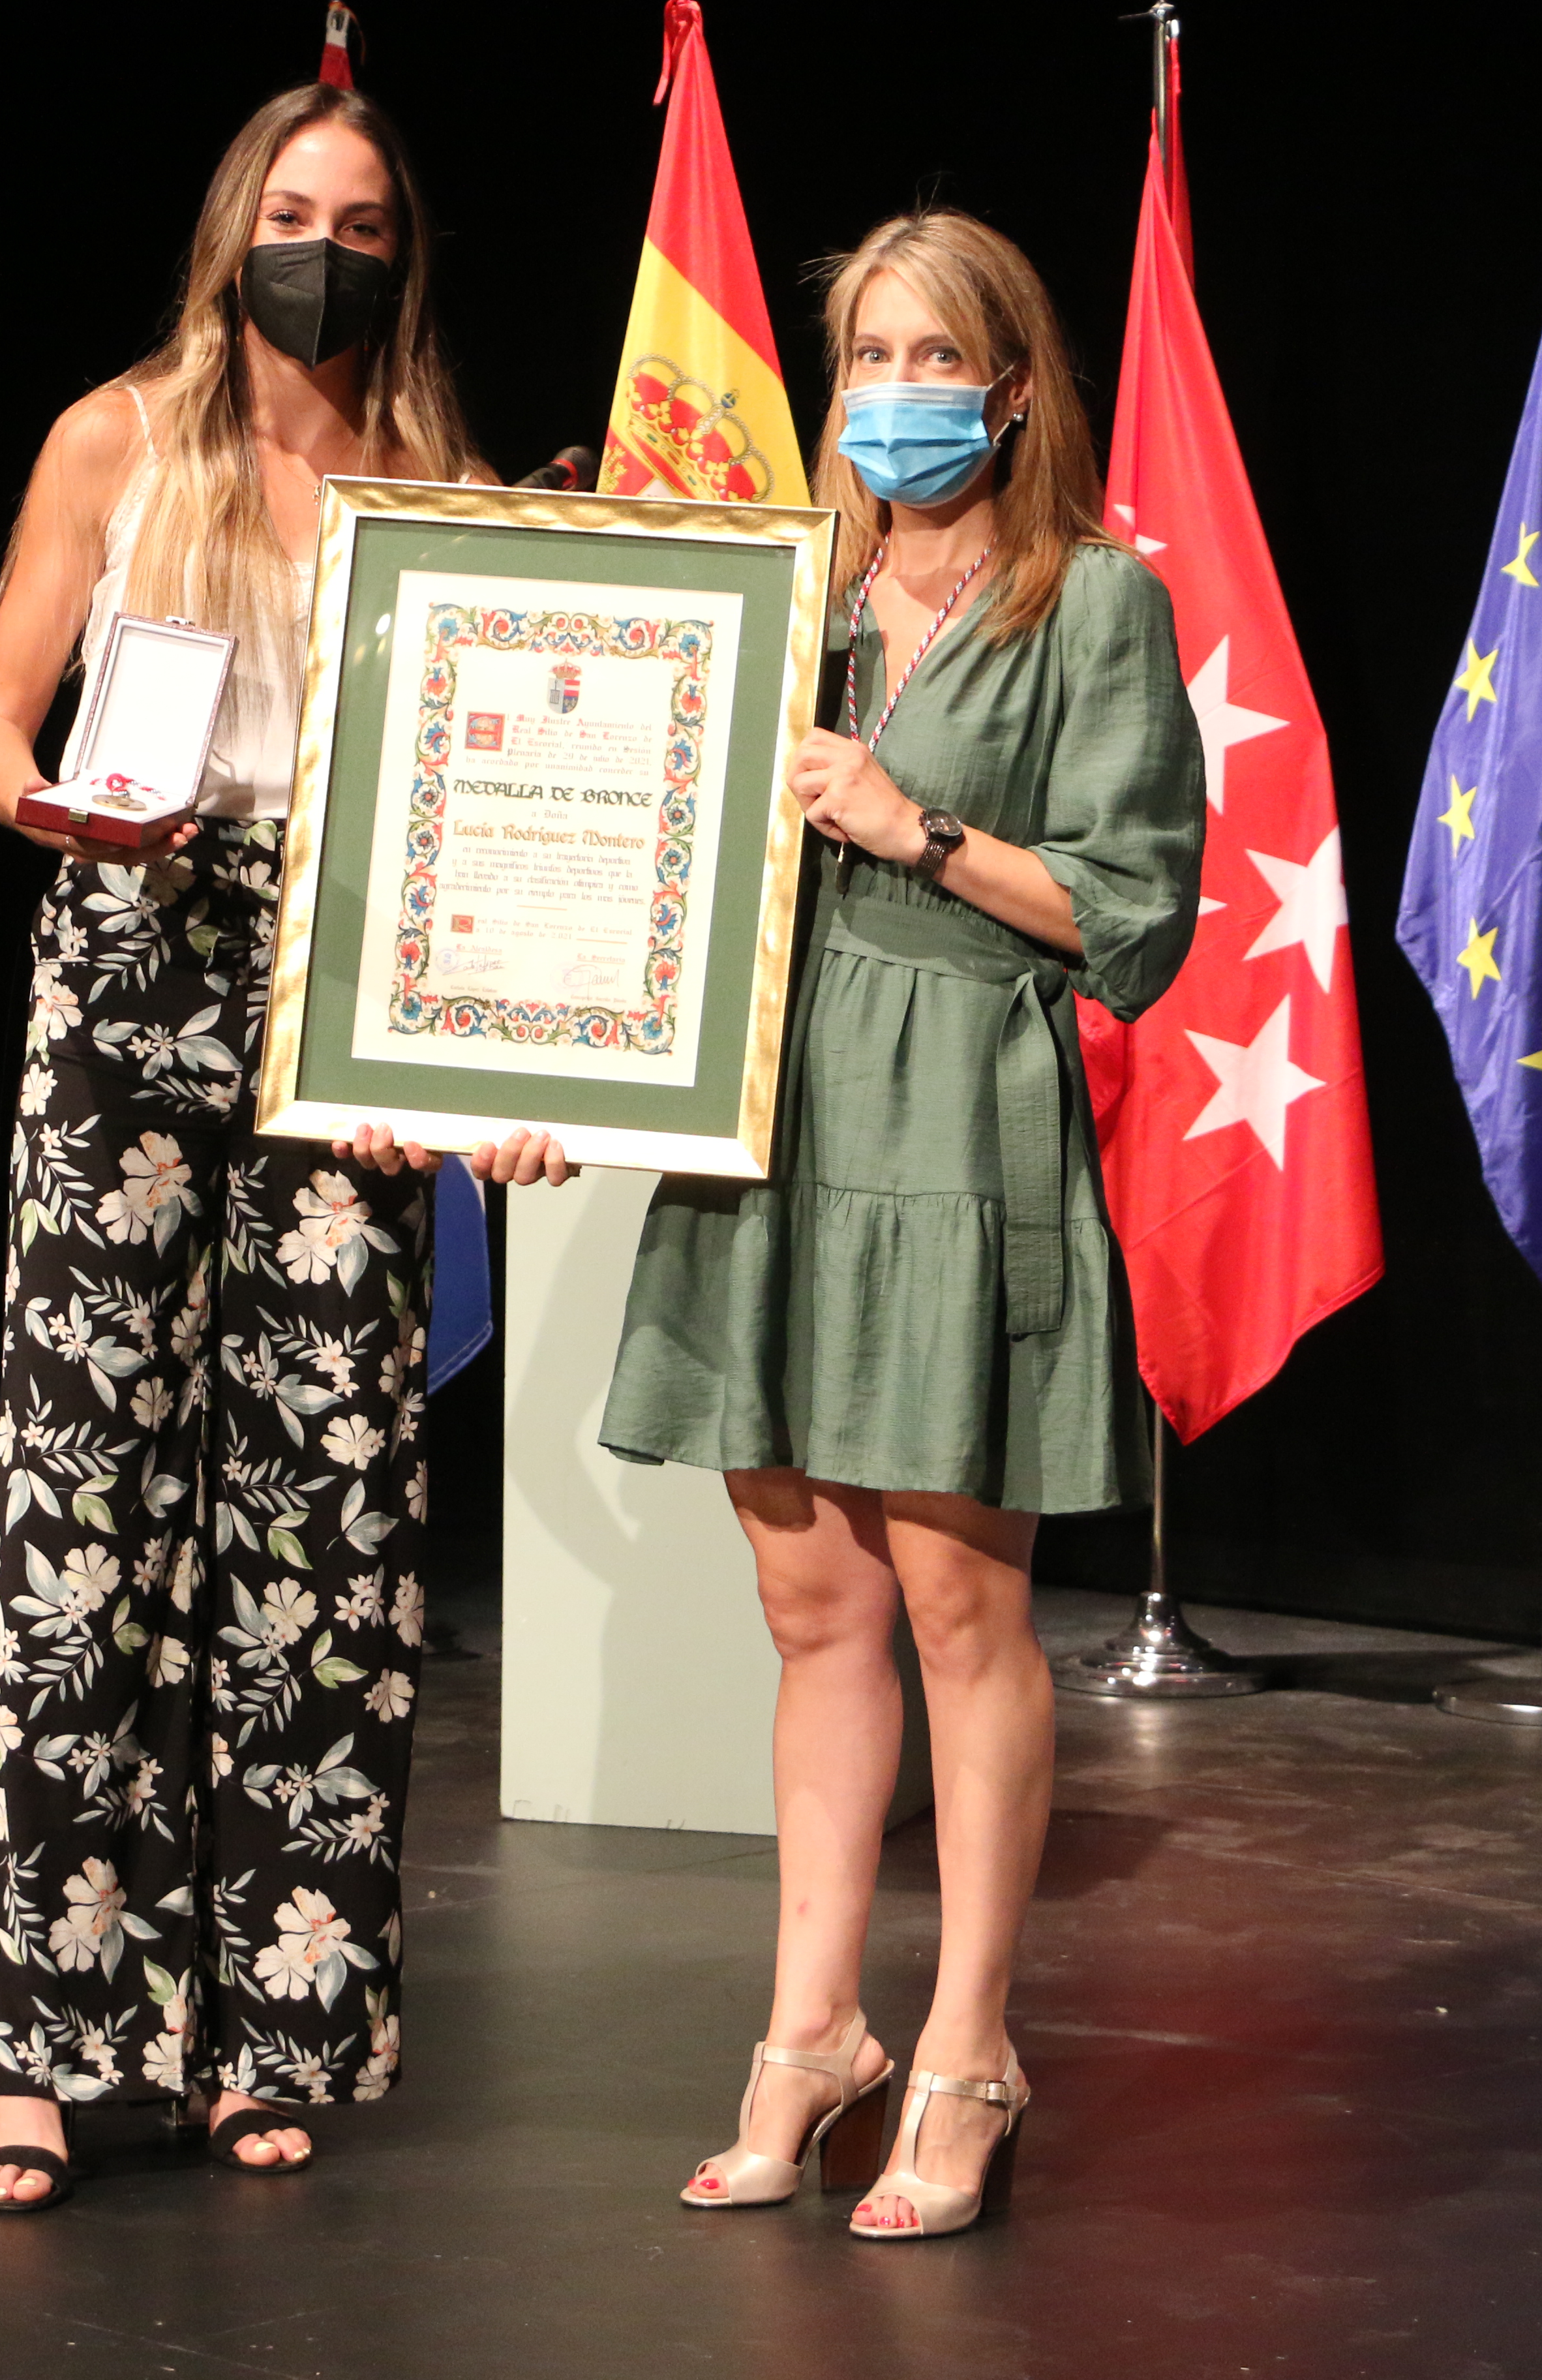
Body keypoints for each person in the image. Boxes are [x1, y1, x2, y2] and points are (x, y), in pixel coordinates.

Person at [0, 84, 566, 2213]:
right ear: (236, 227)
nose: (329, 244)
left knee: (328, 1529)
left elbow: (501, 817)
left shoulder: (438, 473)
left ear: (406, 244)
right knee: (86, 1510)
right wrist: (56, 815)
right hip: (128, 957)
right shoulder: (119, 436)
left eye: (366, 217)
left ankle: (272, 2025)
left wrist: (518, 1066)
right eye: (296, 210)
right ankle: (44, 2040)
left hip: (345, 990)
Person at [600, 210, 1205, 2239]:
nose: (894, 395)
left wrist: (914, 824)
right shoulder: (774, 592)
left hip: (959, 1107)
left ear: (1014, 386)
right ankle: (807, 2033)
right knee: (811, 1612)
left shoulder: (1091, 604)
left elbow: (1136, 918)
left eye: (936, 357)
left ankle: (966, 2048)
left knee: (961, 1612)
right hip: (765, 1116)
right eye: (866, 354)